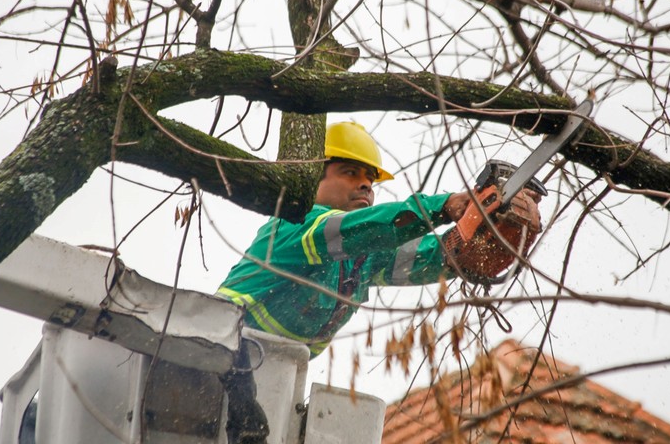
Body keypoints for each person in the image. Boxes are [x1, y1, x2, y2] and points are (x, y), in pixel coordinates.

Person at [216, 121, 541, 443]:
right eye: (350, 172)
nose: (365, 185)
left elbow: (430, 258)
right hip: (219, 351)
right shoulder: (294, 225)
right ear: (314, 177)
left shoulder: (362, 259)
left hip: (270, 374)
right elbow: (366, 228)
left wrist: (473, 239)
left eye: (370, 178)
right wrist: (441, 207)